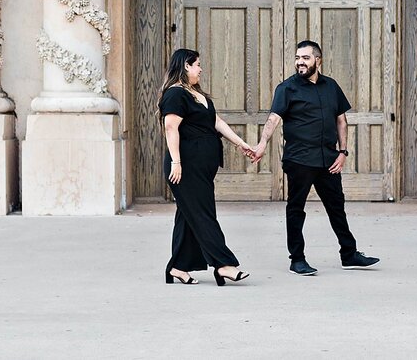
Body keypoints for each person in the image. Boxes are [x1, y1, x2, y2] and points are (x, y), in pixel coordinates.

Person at [252, 40, 380, 276]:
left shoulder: (331, 86)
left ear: (317, 61)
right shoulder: (287, 88)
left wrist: (343, 152)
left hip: (328, 159)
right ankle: (297, 259)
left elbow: (341, 120)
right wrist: (262, 144)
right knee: (296, 209)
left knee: (336, 208)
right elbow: (273, 119)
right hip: (300, 159)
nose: (300, 62)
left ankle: (349, 254)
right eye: (298, 58)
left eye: (306, 58)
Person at [159, 48, 254, 286]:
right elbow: (171, 128)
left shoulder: (196, 94)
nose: (201, 69)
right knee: (203, 214)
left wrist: (241, 144)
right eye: (197, 64)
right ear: (186, 66)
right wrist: (176, 162)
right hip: (185, 166)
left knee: (189, 214)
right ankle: (224, 264)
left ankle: (178, 268)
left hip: (202, 166)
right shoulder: (175, 94)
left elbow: (216, 122)